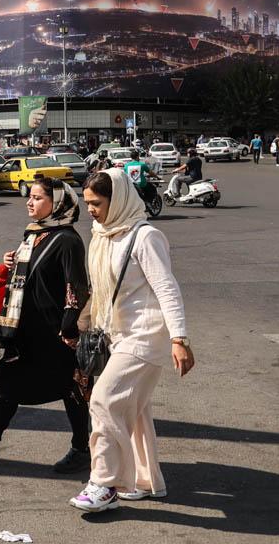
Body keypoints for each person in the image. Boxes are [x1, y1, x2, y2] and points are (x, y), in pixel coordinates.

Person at [69, 169, 193, 512]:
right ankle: (142, 481)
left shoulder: (146, 236)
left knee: (104, 401)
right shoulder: (103, 234)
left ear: (118, 199)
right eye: (88, 203)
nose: (91, 209)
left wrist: (179, 338)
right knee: (133, 413)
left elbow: (167, 288)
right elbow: (99, 292)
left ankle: (104, 483)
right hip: (118, 335)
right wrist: (81, 325)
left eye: (97, 203)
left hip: (147, 336)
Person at [0, 178, 91, 474]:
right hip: (28, 330)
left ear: (58, 204)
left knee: (70, 388)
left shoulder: (67, 239)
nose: (30, 202)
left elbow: (76, 286)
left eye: (38, 198)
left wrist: (69, 327)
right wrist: (10, 262)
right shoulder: (34, 234)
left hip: (55, 333)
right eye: (30, 197)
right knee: (11, 382)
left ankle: (82, 449)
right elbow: (28, 276)